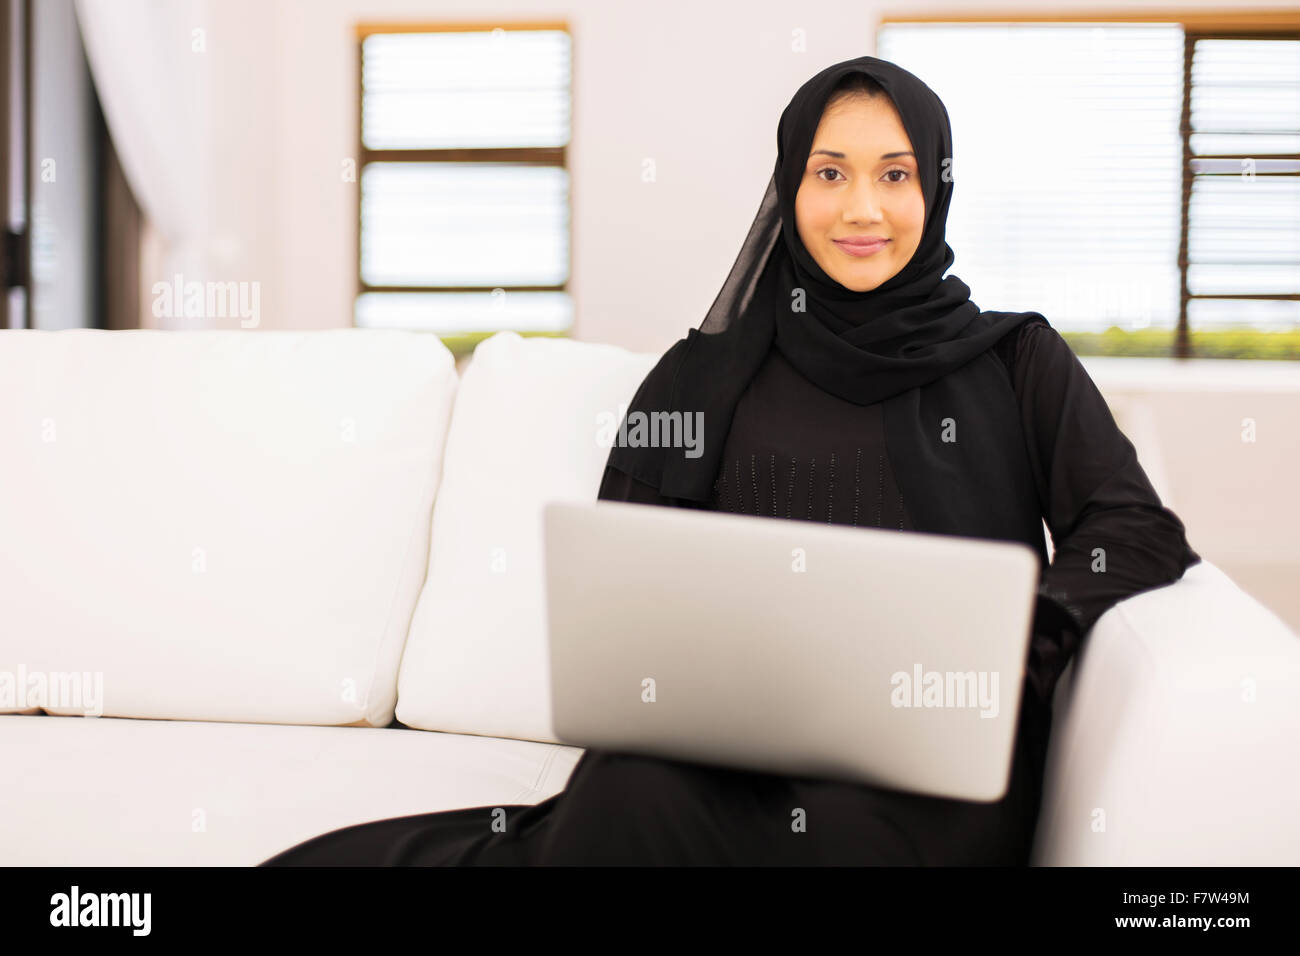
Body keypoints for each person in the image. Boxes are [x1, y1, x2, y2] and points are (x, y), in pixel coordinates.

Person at [261, 55, 1200, 867]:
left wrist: (1024, 633)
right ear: (789, 188)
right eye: (829, 173)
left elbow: (1135, 530)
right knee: (631, 799)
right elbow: (624, 576)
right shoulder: (700, 375)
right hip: (723, 754)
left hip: (933, 762)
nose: (862, 208)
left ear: (935, 189)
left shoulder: (1016, 358)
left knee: (843, 840)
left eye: (895, 174)